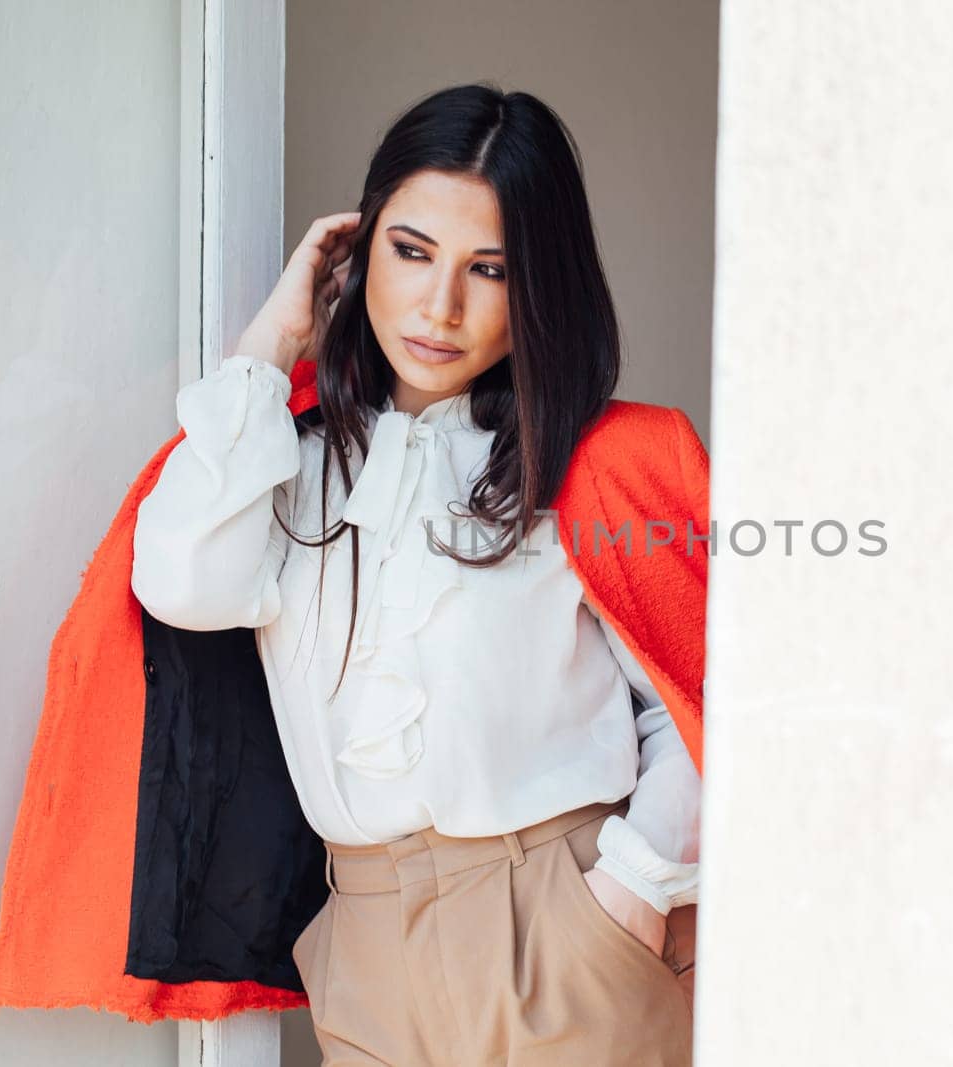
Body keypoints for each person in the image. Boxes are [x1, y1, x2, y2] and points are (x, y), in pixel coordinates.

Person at [129, 83, 702, 1065]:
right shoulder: (291, 464)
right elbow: (182, 580)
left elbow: (696, 703)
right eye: (411, 251)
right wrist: (272, 344)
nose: (440, 306)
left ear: (539, 289)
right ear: (354, 257)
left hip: (564, 923)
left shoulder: (598, 466)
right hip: (367, 943)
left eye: (489, 268)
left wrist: (632, 890)